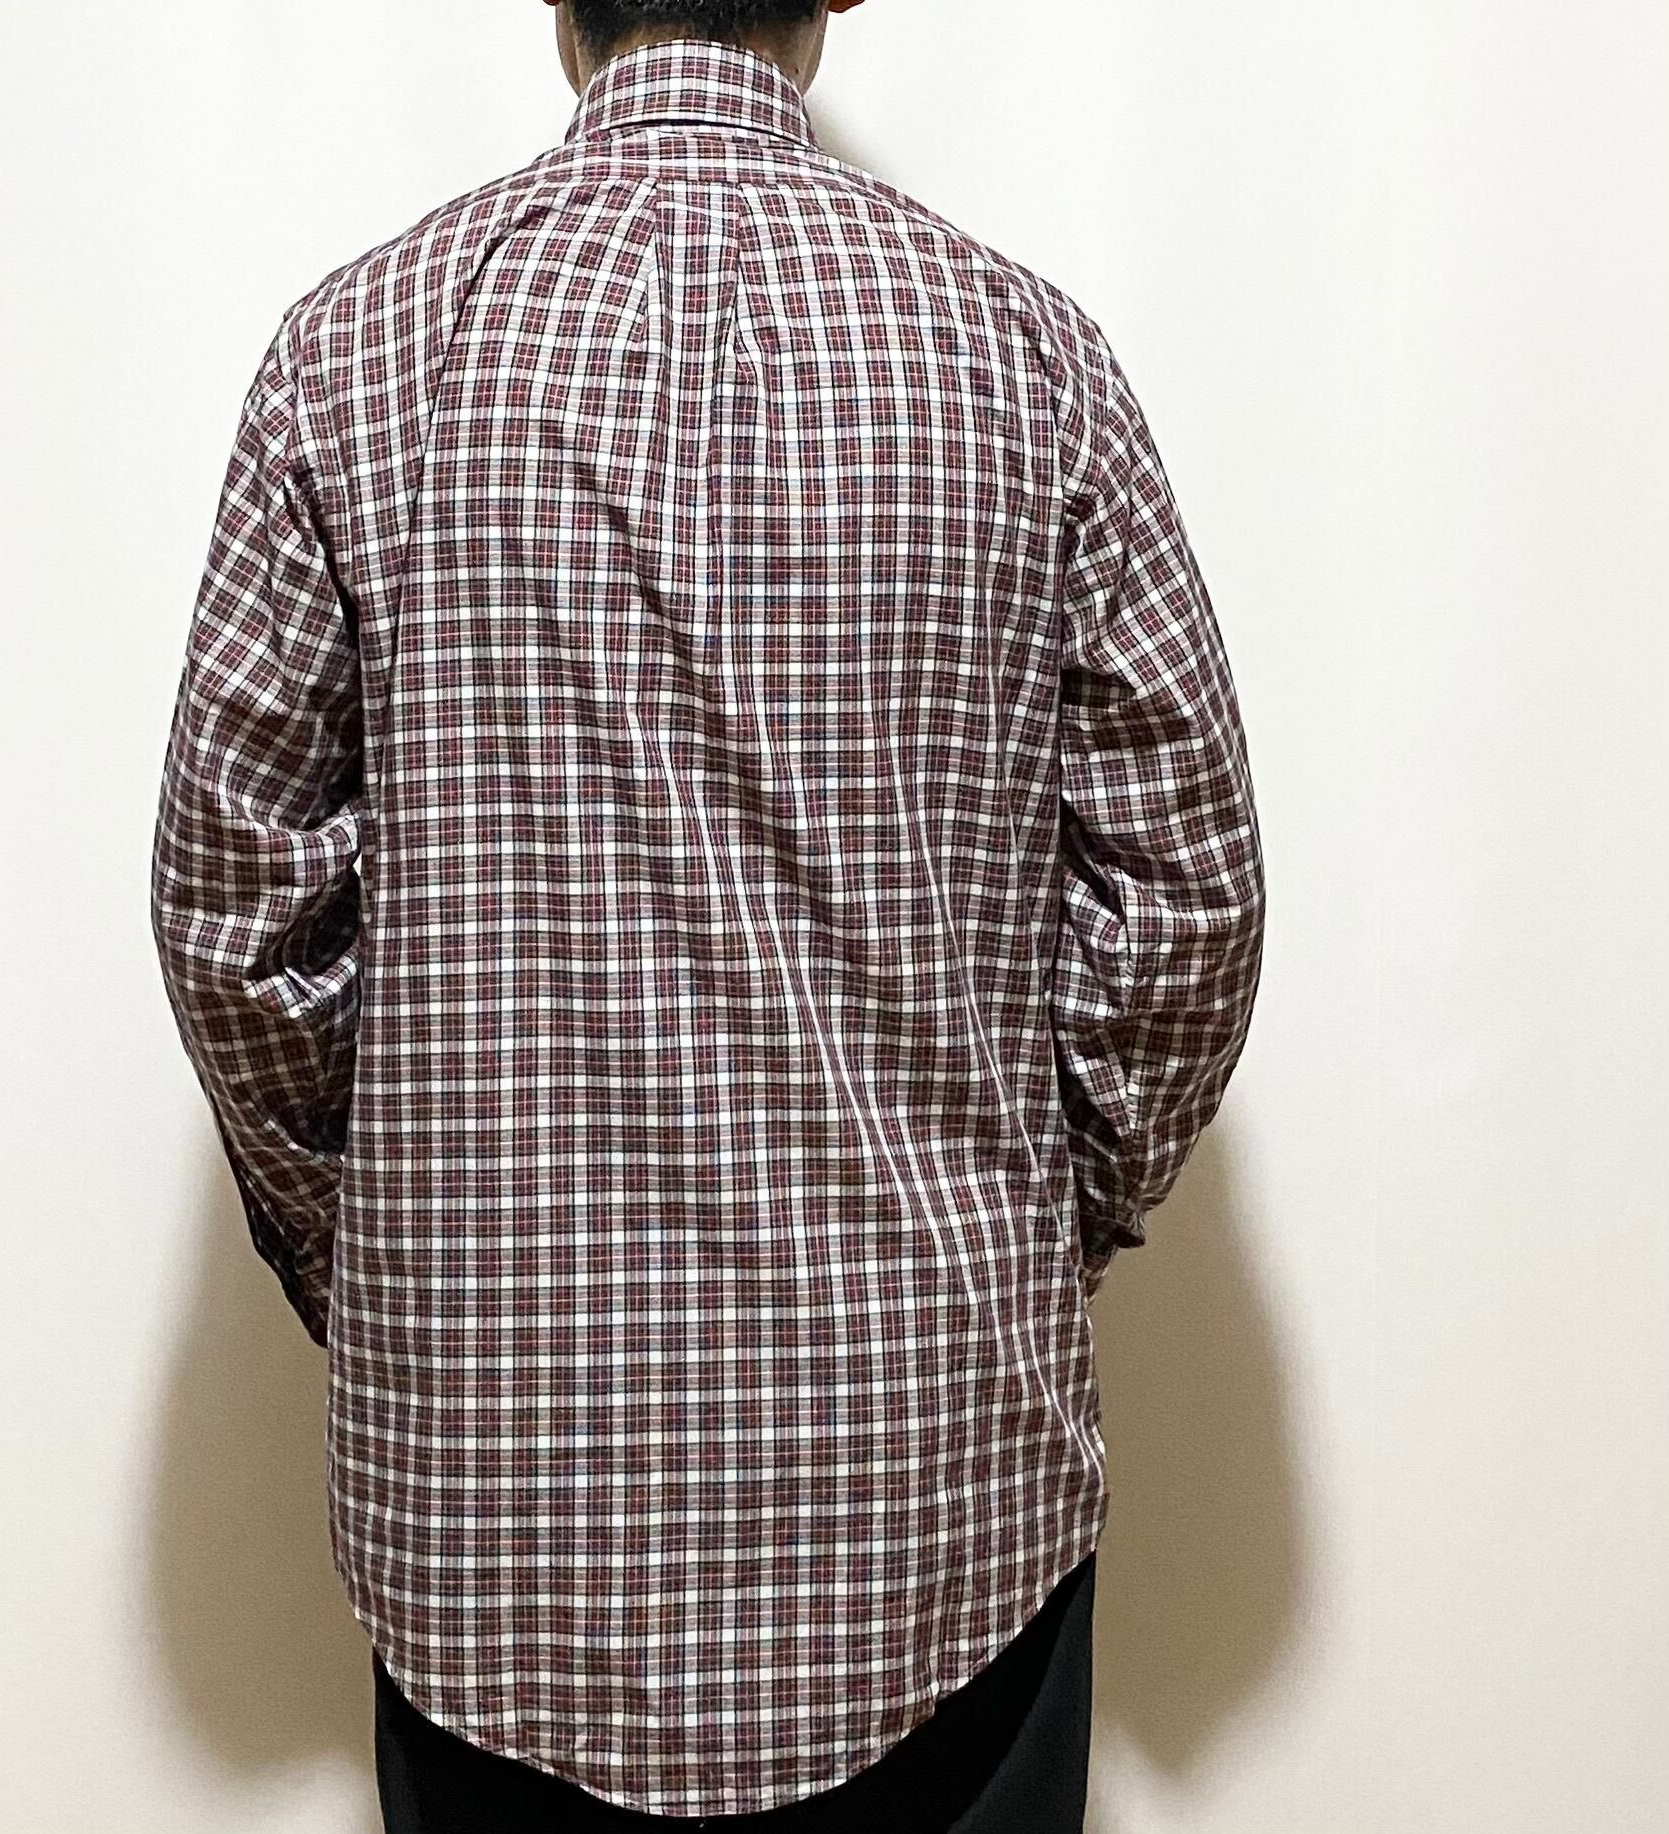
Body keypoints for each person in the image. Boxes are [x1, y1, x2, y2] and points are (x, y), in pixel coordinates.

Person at [148, 2, 1267, 1828]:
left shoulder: (351, 355)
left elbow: (233, 914)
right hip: (937, 1507)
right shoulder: (1030, 357)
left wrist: (396, 1258)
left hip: (498, 1527)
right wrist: (1018, 1225)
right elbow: (1186, 897)